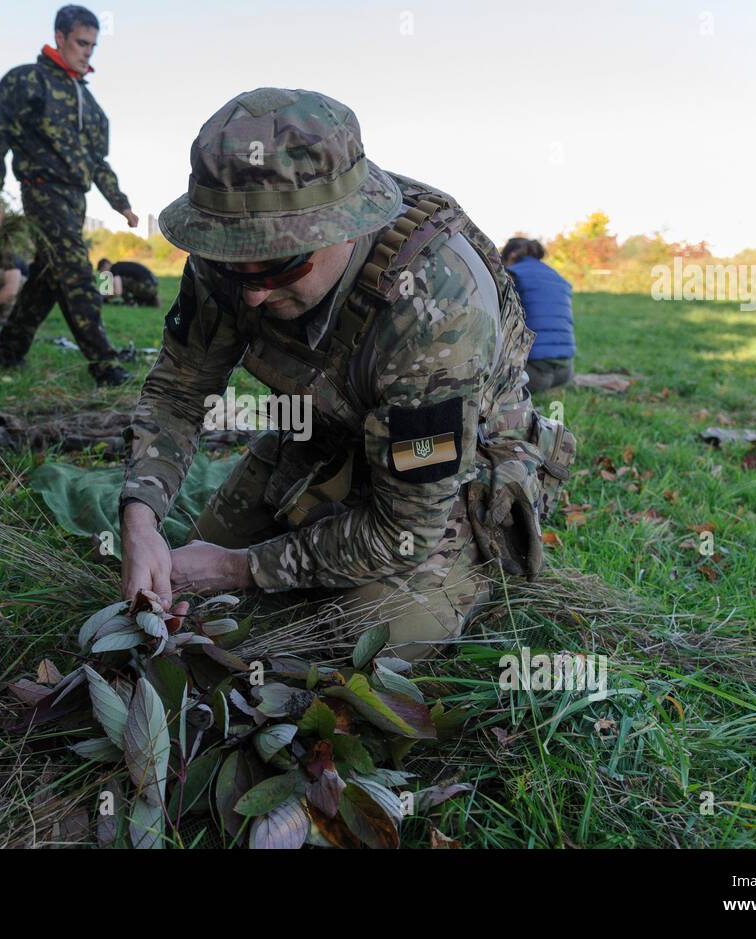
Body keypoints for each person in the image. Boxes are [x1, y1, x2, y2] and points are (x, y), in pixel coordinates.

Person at [117, 89, 574, 661]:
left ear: (349, 228)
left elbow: (400, 530)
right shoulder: (229, 256)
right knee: (189, 582)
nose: (253, 292)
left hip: (452, 469)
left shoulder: (436, 306)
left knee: (376, 639)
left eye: (281, 265)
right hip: (328, 433)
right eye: (231, 265)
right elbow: (178, 392)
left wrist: (241, 568)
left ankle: (470, 576)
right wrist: (140, 517)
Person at [0, 4, 138, 386]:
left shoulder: (93, 108)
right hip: (41, 191)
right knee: (76, 270)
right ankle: (105, 365)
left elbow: (97, 162)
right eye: (81, 43)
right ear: (60, 37)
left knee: (47, 278)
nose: (87, 52)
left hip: (74, 200)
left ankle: (7, 354)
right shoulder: (27, 81)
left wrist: (123, 205)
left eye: (93, 46)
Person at [501, 237, 575, 393]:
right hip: (565, 371)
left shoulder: (512, 274)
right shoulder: (558, 278)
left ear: (511, 255)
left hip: (531, 374)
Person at [97, 258, 161, 307]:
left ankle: (131, 303)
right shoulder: (121, 266)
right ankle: (149, 300)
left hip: (146, 286)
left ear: (105, 266)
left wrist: (104, 296)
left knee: (121, 282)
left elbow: (118, 291)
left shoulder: (114, 268)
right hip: (151, 286)